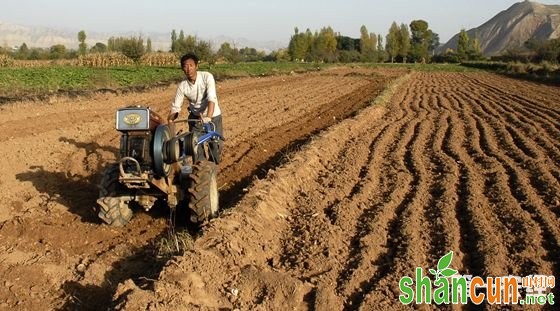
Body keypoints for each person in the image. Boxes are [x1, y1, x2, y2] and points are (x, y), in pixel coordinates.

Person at [168, 52, 223, 163]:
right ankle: (201, 172)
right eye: (185, 66)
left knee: (216, 146)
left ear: (196, 66)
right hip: (196, 118)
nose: (188, 69)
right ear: (182, 69)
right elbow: (176, 107)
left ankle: (213, 168)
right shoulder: (182, 86)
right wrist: (170, 119)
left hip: (213, 116)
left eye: (191, 65)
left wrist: (208, 117)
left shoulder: (207, 77)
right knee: (195, 147)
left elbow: (211, 98)